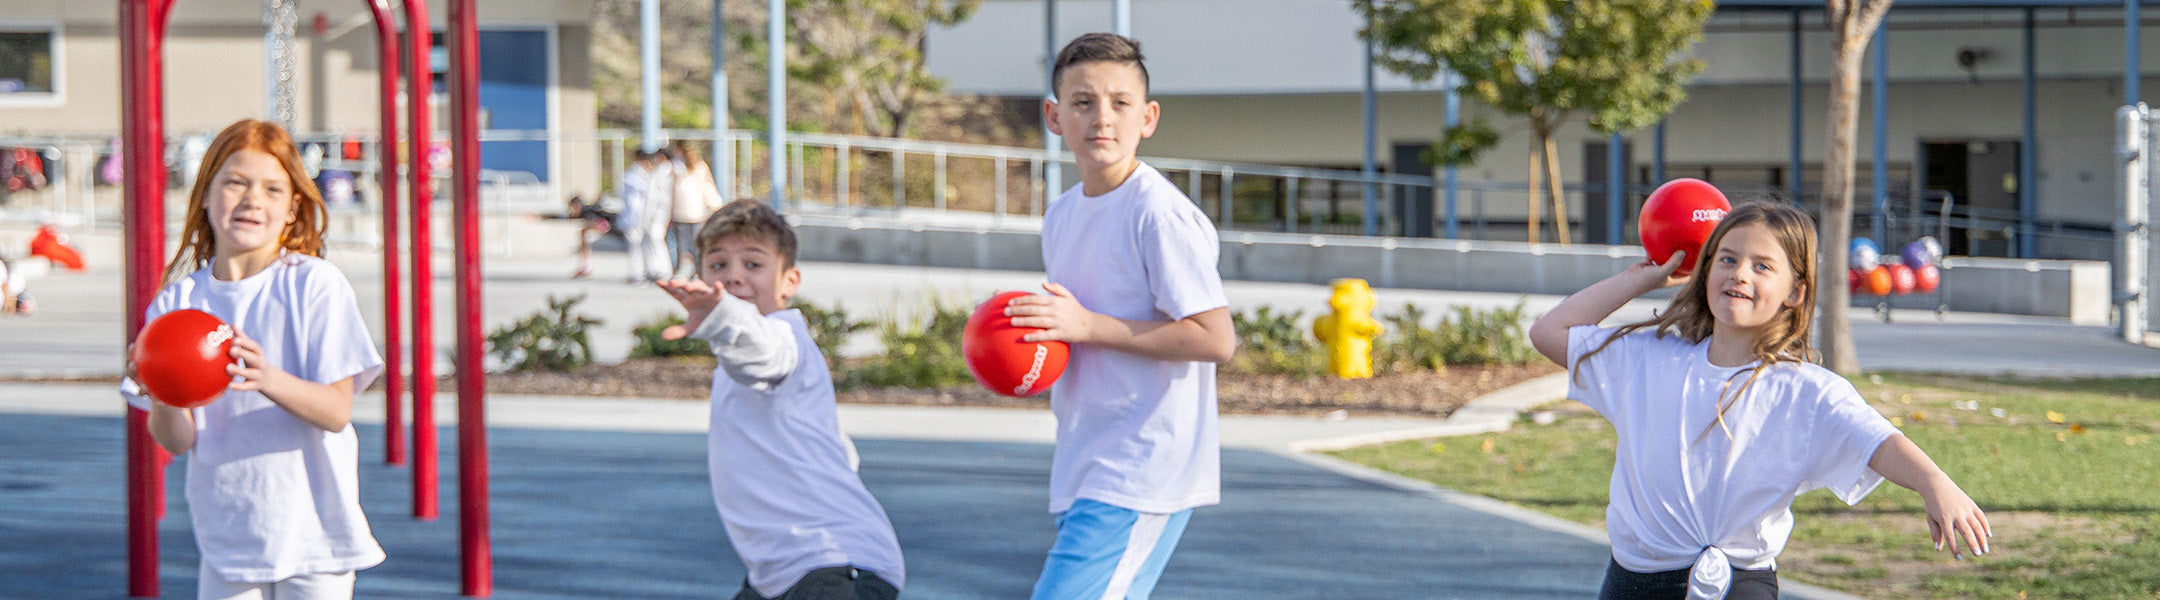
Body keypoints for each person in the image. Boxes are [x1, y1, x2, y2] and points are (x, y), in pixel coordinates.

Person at [1525, 202, 1991, 600]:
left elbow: (1879, 442)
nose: (1739, 274)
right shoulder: (1646, 358)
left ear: (1796, 292)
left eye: (1762, 266)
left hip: (1742, 585)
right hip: (1635, 582)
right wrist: (1642, 277)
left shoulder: (1807, 390)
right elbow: (1548, 333)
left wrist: (1934, 483)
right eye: (1726, 259)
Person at [1002, 33, 1237, 600]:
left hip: (1143, 464)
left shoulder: (1158, 213)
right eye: (1082, 102)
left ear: (1148, 117)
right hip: (1084, 458)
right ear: (1055, 117)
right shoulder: (1062, 215)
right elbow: (1073, 331)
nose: (1101, 118)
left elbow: (1215, 338)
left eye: (1119, 102)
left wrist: (1085, 326)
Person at [119, 119, 385, 600]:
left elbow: (336, 411)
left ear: (291, 209)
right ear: (204, 195)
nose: (251, 199)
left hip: (317, 537)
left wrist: (267, 377)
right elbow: (177, 441)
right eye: (235, 182)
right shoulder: (176, 304)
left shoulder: (313, 284)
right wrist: (160, 392)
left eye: (271, 188)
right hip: (229, 535)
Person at [653, 199, 906, 600]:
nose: (734, 277)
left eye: (753, 265)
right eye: (718, 265)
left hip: (834, 563)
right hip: (781, 573)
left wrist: (721, 319)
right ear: (700, 272)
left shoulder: (784, 337)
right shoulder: (735, 358)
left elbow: (761, 352)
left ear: (790, 281)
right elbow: (834, 447)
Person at [666, 142, 727, 278]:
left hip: (679, 211)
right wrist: (716, 205)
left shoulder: (674, 167)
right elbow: (707, 188)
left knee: (681, 244)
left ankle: (680, 270)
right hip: (697, 212)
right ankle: (699, 271)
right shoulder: (700, 166)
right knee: (697, 244)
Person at [620, 149, 675, 283]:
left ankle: (660, 270)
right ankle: (645, 272)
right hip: (639, 217)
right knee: (642, 245)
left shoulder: (661, 173)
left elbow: (656, 198)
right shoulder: (636, 174)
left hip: (652, 216)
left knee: (654, 242)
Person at [566, 194, 618, 280]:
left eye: (573, 208)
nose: (573, 211)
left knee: (583, 233)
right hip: (612, 223)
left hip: (614, 225)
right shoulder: (588, 209)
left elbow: (601, 222)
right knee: (584, 235)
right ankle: (585, 265)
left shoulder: (586, 212)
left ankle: (586, 266)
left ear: (576, 205)